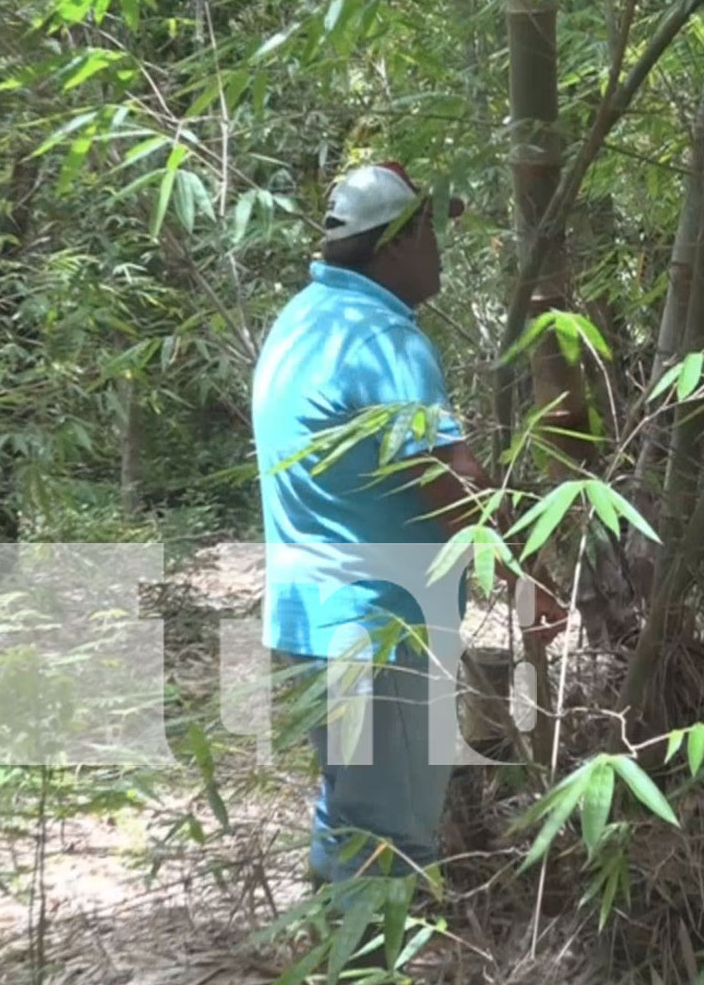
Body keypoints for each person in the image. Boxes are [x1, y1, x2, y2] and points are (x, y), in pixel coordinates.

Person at [250, 161, 564, 951]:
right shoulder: (385, 337)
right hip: (379, 629)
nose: (440, 252)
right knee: (390, 851)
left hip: (308, 623)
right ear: (397, 241)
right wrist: (529, 576)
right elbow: (448, 479)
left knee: (350, 826)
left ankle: (334, 962)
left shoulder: (301, 321)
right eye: (431, 231)